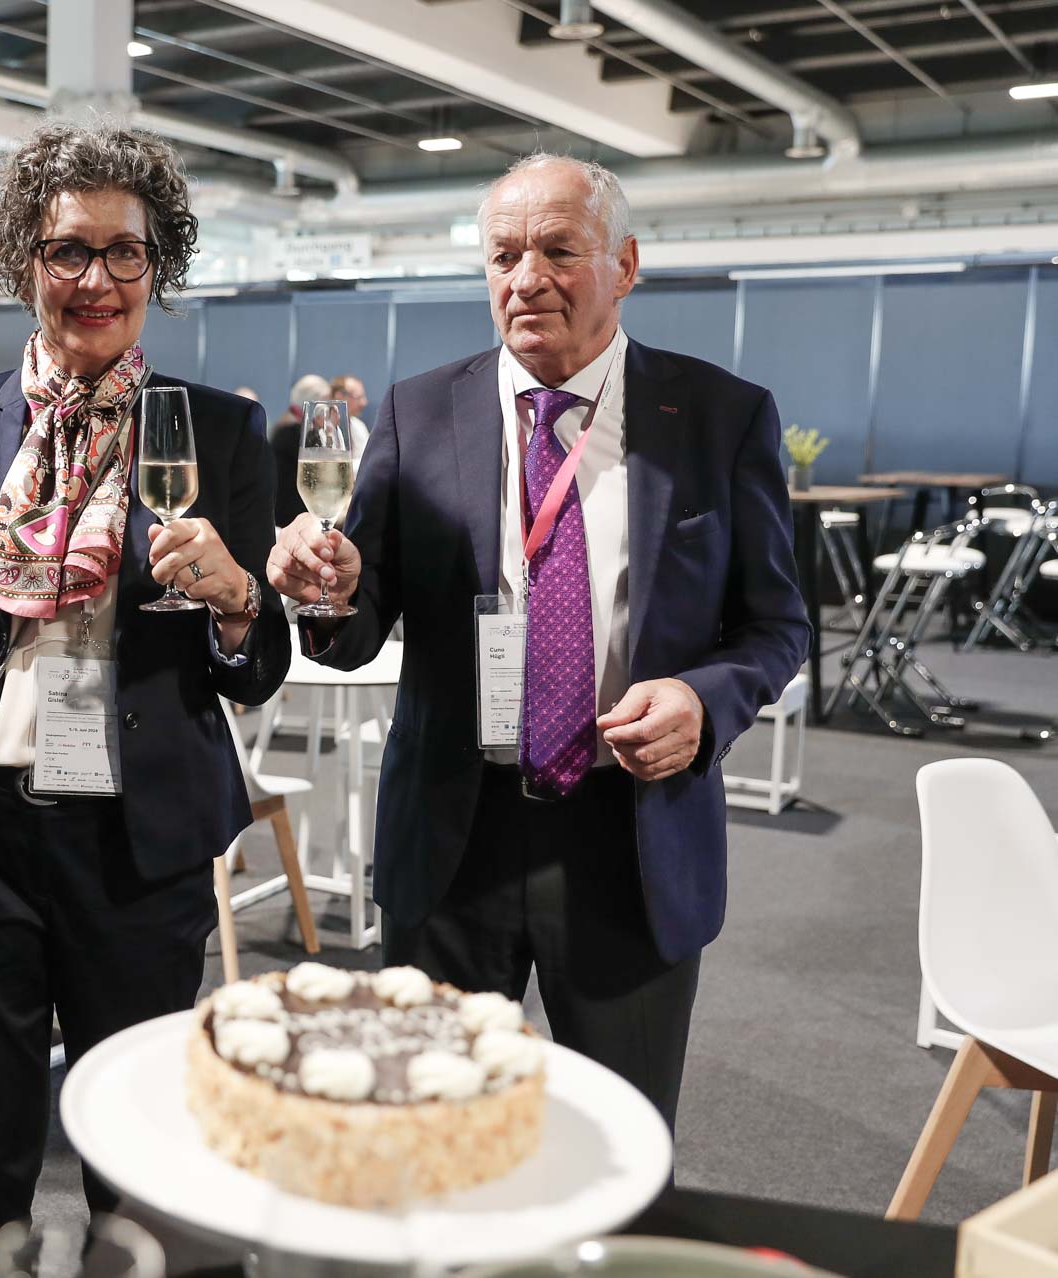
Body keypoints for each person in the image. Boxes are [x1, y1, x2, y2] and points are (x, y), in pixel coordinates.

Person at [267, 152, 807, 1127]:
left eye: (559, 250)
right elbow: (357, 620)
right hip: (451, 837)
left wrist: (703, 698)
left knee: (620, 1143)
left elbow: (775, 624)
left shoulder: (720, 417)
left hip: (629, 840)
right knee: (427, 1131)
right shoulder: (419, 411)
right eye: (503, 255)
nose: (526, 278)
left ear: (624, 265)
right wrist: (327, 590)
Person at [0, 120, 288, 1278]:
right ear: (26, 262)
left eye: (125, 252)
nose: (97, 278)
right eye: (68, 250)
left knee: (146, 1156)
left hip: (138, 840)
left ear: (159, 267)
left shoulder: (219, 432)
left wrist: (237, 599)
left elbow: (257, 663)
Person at [268, 372, 330, 526]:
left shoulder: (283, 425)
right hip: (295, 515)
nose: (328, 409)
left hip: (281, 511)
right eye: (326, 402)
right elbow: (323, 472)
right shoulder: (300, 432)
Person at [328, 372, 372, 456]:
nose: (364, 403)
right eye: (358, 397)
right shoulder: (322, 429)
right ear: (339, 397)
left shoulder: (359, 426)